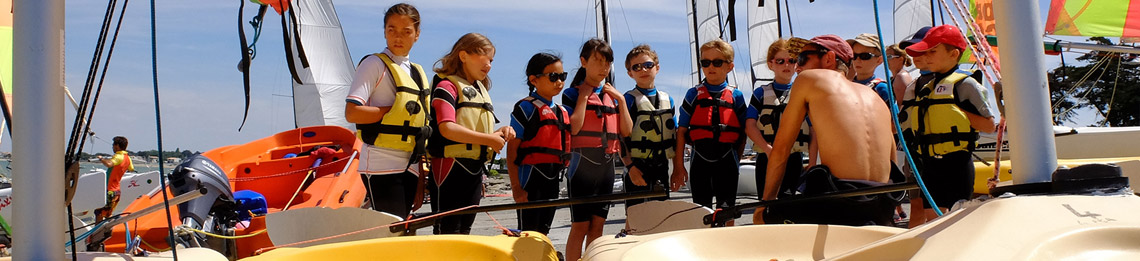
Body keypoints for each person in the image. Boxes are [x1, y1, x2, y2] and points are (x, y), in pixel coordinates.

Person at [757, 35, 898, 226]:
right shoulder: (875, 97)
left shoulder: (810, 79)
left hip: (843, 204)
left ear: (829, 58)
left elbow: (781, 151)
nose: (797, 67)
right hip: (882, 205)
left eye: (802, 58)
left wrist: (764, 207)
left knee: (768, 219)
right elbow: (892, 161)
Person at [902, 25, 996, 223]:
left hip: (957, 163)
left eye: (932, 51)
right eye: (925, 51)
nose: (926, 56)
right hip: (929, 164)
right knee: (933, 220)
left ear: (953, 54)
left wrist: (957, 111)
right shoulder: (926, 88)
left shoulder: (966, 85)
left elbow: (989, 126)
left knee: (956, 221)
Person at [344, 3, 430, 220]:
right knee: (393, 230)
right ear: (384, 32)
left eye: (406, 31)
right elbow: (352, 113)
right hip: (380, 163)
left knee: (405, 229)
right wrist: (392, 110)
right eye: (392, 30)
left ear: (417, 35)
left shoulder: (417, 72)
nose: (398, 37)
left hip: (410, 165)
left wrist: (420, 178)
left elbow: (418, 130)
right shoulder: (374, 64)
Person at [427, 32, 513, 235]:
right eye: (484, 58)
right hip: (449, 168)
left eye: (491, 60)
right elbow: (447, 127)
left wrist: (499, 133)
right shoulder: (447, 86)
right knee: (447, 233)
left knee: (465, 231)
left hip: (474, 170)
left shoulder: (481, 90)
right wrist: (489, 139)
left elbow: (473, 131)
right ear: (463, 55)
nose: (489, 65)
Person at [562, 38, 632, 261]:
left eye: (607, 63)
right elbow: (574, 127)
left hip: (607, 167)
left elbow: (626, 131)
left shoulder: (613, 96)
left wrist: (621, 100)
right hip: (582, 166)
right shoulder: (572, 94)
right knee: (580, 226)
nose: (604, 67)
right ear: (584, 61)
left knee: (598, 227)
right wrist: (584, 95)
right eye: (598, 61)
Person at [674, 39, 747, 226]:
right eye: (705, 63)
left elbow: (743, 133)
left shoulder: (736, 97)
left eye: (717, 62)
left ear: (729, 66)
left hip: (727, 162)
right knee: (701, 212)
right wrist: (679, 166)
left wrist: (736, 159)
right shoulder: (693, 95)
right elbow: (681, 132)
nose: (710, 67)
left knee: (727, 212)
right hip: (700, 161)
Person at [745, 39, 811, 224]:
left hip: (793, 158)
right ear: (770, 64)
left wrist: (812, 161)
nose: (786, 65)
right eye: (780, 61)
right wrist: (767, 148)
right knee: (766, 203)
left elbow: (812, 128)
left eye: (791, 60)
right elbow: (750, 125)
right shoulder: (760, 93)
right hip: (767, 157)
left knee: (788, 202)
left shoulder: (803, 92)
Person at [507, 52, 570, 235]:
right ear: (534, 80)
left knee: (544, 231)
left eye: (562, 76)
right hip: (530, 180)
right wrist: (517, 189)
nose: (559, 81)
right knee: (528, 232)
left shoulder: (561, 111)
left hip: (552, 179)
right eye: (553, 77)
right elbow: (512, 153)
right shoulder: (525, 108)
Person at [620, 44, 675, 208]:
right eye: (636, 67)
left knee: (661, 213)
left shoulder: (667, 99)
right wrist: (630, 167)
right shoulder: (628, 100)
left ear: (657, 68)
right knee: (635, 215)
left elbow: (676, 134)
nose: (643, 70)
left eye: (648, 65)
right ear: (630, 73)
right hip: (638, 166)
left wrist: (677, 169)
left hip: (661, 166)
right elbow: (620, 137)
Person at [95, 136, 134, 223]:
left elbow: (109, 164)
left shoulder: (118, 156)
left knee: (99, 213)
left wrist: (101, 159)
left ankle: (96, 234)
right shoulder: (128, 158)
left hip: (110, 191)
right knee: (108, 214)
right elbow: (131, 168)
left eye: (113, 145)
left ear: (117, 146)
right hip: (117, 191)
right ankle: (108, 232)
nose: (112, 146)